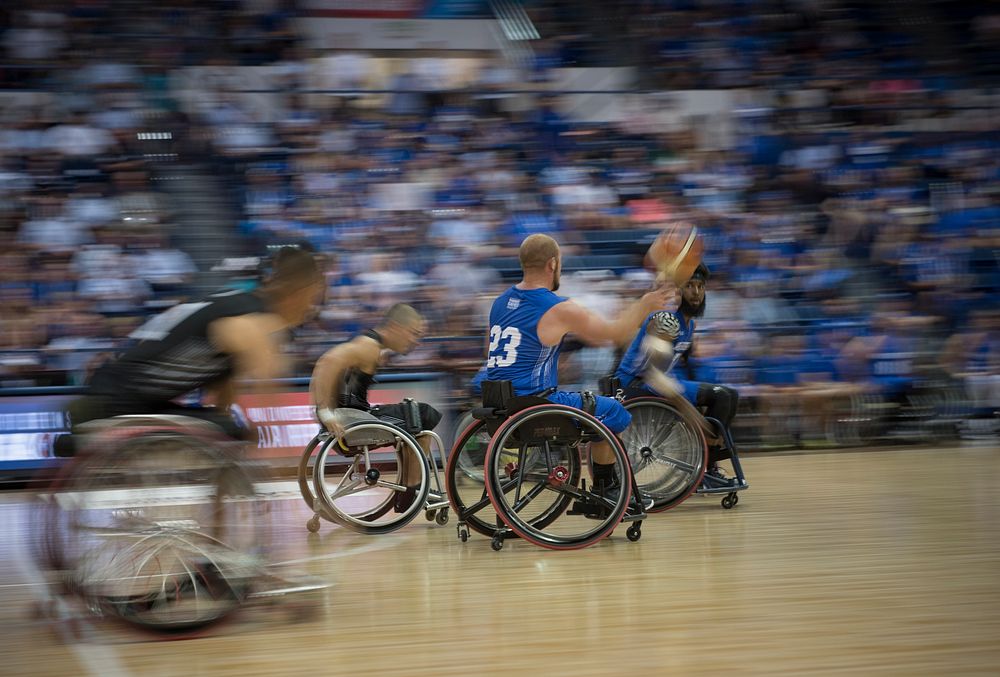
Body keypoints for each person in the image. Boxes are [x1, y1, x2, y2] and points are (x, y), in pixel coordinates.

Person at [60, 246, 326, 449]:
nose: (312, 308)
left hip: (116, 389)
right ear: (299, 291)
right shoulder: (254, 321)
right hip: (120, 403)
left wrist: (231, 419)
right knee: (231, 431)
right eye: (312, 298)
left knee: (229, 426)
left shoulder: (232, 301)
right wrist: (271, 448)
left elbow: (221, 383)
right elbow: (268, 385)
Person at [480, 233, 674, 499]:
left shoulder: (499, 302)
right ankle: (606, 488)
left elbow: (500, 352)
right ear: (552, 264)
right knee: (613, 412)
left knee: (585, 399)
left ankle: (605, 486)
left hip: (499, 402)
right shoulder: (558, 308)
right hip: (535, 405)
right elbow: (611, 335)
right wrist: (644, 304)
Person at [615, 263, 741, 485]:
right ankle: (707, 466)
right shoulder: (665, 321)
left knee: (728, 395)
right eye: (689, 286)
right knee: (721, 396)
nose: (696, 292)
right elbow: (653, 374)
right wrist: (690, 412)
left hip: (659, 381)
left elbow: (680, 365)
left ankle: (709, 460)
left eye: (700, 286)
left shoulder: (689, 325)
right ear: (678, 290)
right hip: (635, 384)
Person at [310, 303, 442, 512]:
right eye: (413, 334)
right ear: (396, 327)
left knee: (415, 424)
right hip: (352, 423)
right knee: (423, 414)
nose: (416, 341)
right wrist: (324, 412)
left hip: (352, 419)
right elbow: (327, 361)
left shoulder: (373, 346)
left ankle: (410, 489)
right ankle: (412, 491)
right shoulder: (368, 346)